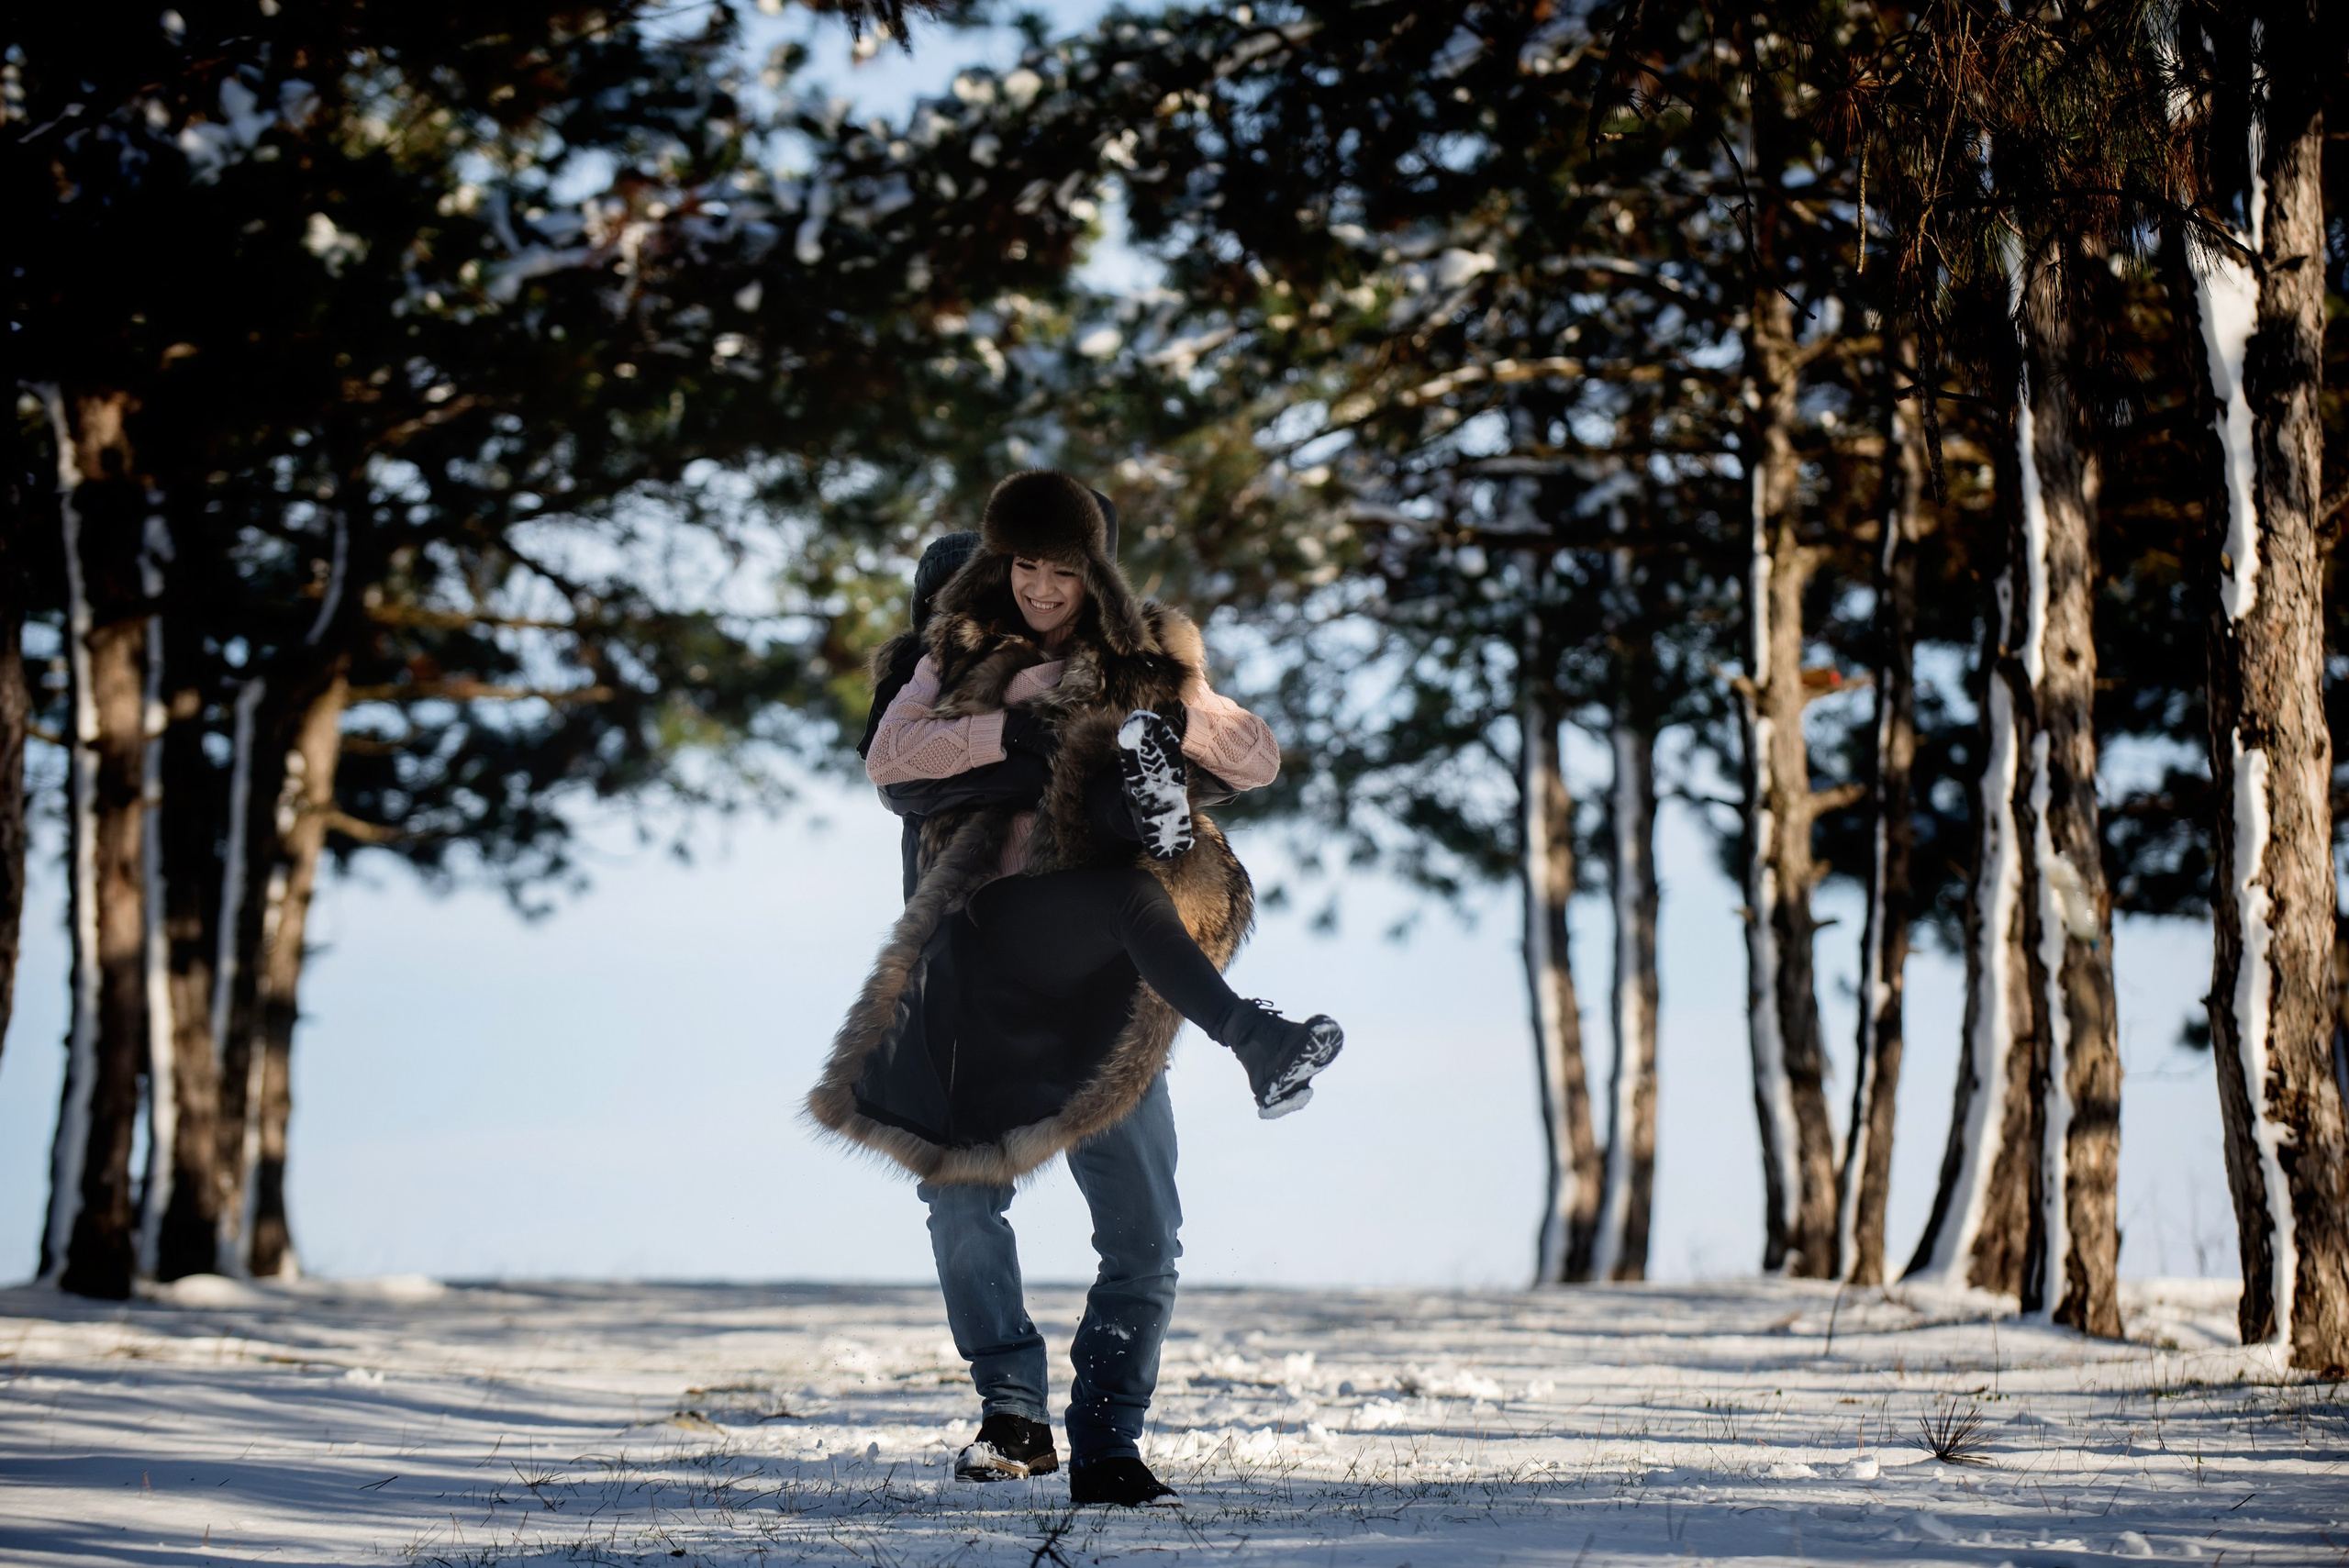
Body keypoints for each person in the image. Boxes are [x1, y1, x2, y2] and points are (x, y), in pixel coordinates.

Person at [807, 471, 1343, 1508]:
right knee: (963, 1196)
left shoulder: (1113, 663)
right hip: (986, 981)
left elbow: (1253, 751)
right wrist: (1013, 731)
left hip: (1108, 972)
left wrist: (1171, 701)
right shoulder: (932, 691)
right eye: (1000, 584)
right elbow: (896, 765)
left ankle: (1108, 1438)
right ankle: (1013, 1410)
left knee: (1145, 1231)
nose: (1011, 607)